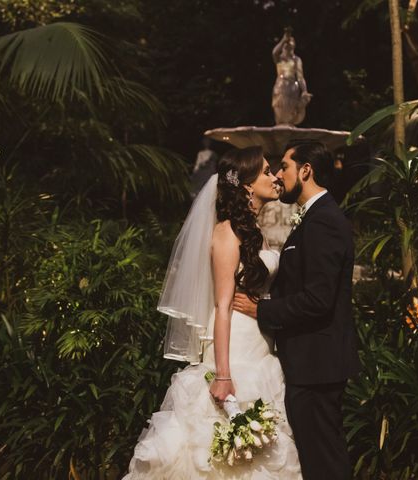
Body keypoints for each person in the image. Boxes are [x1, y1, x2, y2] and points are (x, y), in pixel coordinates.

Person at [123, 146, 302, 479]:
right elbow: (221, 306)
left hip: (261, 346)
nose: (274, 176)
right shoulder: (227, 233)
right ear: (247, 185)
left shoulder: (255, 232)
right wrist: (222, 373)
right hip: (234, 348)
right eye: (265, 172)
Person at [234, 140, 361, 480]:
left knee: (325, 462)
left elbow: (319, 300)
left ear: (306, 170)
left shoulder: (324, 221)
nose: (278, 175)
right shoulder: (314, 218)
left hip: (317, 365)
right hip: (309, 364)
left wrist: (262, 310)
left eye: (285, 167)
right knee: (317, 459)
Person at [272, 28, 312, 125]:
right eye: (286, 44)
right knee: (279, 108)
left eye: (290, 43)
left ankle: (289, 123)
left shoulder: (296, 60)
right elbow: (274, 52)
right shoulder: (280, 58)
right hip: (280, 87)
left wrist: (304, 90)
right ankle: (280, 124)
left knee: (291, 110)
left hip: (292, 87)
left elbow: (300, 76)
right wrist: (284, 39)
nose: (288, 45)